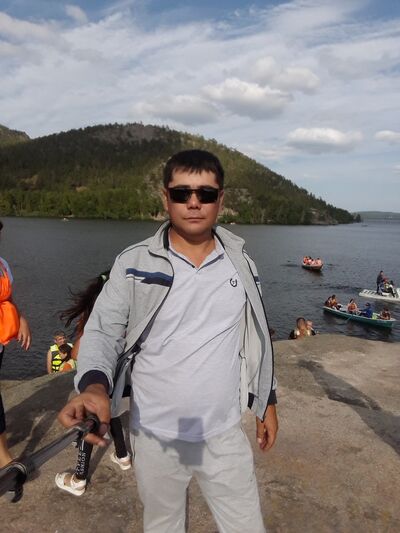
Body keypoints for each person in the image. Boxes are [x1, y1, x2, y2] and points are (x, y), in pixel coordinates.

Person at [58, 149, 278, 531]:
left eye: (205, 194)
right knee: (163, 525)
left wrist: (267, 401)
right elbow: (104, 331)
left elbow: (255, 336)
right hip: (155, 435)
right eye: (181, 193)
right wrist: (94, 387)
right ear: (165, 198)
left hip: (223, 432)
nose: (194, 203)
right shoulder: (135, 264)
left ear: (221, 199)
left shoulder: (242, 263)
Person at [55, 271, 131, 496]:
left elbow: (77, 353)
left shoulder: (96, 322)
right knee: (111, 415)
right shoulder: (131, 316)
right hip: (122, 389)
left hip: (99, 384)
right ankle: (123, 456)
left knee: (90, 425)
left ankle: (79, 478)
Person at [0, 219, 31, 468]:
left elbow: (9, 298)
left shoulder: (2, 265)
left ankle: (2, 457)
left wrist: (21, 319)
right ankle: (3, 458)